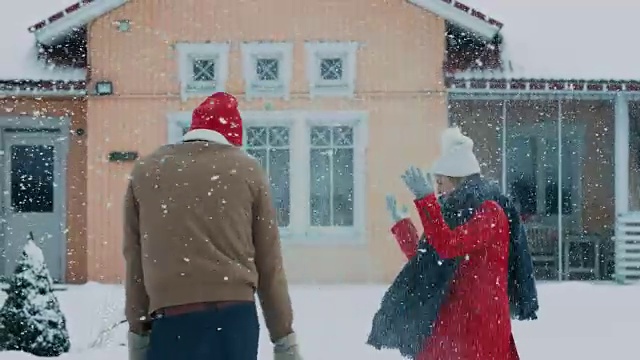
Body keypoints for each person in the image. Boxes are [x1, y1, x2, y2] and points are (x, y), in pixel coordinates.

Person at [123, 92, 303, 360]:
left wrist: (138, 334)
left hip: (172, 320)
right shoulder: (246, 170)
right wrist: (283, 338)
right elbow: (269, 264)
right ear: (233, 137)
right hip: (233, 320)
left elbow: (135, 261)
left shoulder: (145, 171)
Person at [367, 126, 538, 360]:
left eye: (440, 183)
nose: (437, 191)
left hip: (478, 329)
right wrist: (403, 225)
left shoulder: (490, 212)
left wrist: (426, 201)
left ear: (457, 179)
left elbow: (447, 245)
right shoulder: (458, 213)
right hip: (453, 325)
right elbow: (431, 257)